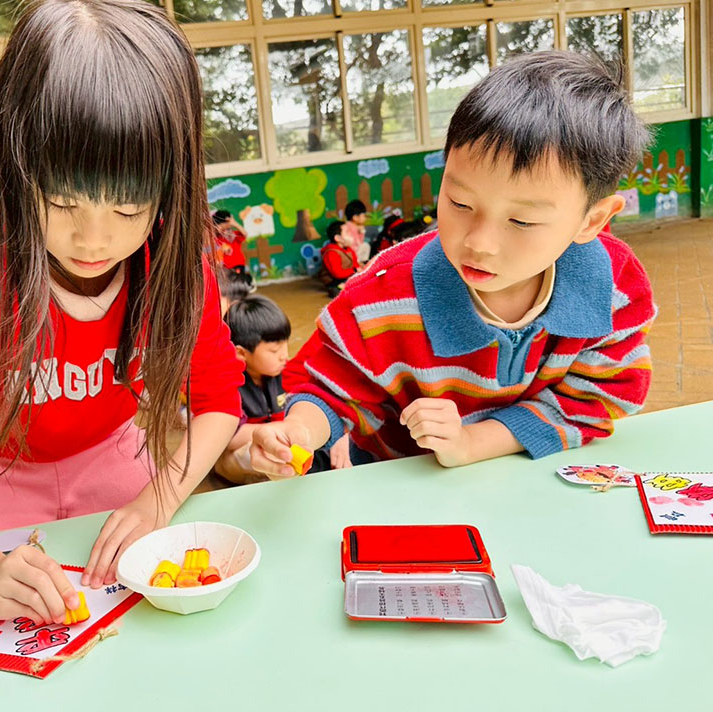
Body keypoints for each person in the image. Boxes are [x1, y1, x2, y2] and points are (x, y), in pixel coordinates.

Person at [0, 0, 244, 625]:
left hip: (111, 458)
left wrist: (157, 501)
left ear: (172, 181)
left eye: (128, 208)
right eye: (63, 202)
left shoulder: (179, 268)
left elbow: (218, 403)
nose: (94, 241)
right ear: (18, 167)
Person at [249, 50, 656, 476]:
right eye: (460, 202)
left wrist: (474, 441)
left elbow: (596, 397)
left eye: (521, 221)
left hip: (532, 477)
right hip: (401, 480)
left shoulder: (612, 288)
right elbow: (327, 390)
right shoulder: (383, 295)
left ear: (592, 220)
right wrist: (298, 431)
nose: (478, 242)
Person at [213, 295, 290, 484]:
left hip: (274, 440)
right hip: (235, 456)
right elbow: (231, 437)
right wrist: (281, 430)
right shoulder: (226, 383)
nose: (285, 356)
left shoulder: (283, 372)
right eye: (274, 350)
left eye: (286, 345)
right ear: (241, 353)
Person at [319, 220, 359, 297]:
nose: (351, 235)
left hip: (349, 276)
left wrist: (359, 270)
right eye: (347, 232)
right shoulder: (331, 252)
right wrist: (355, 270)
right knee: (340, 290)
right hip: (335, 280)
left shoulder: (349, 249)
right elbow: (337, 274)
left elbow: (355, 264)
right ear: (338, 238)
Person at [212, 210, 247, 274]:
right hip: (225, 268)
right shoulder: (216, 237)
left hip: (238, 265)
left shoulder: (233, 235)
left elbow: (245, 234)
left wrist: (235, 224)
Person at [341, 200, 371, 264]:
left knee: (365, 245)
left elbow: (360, 242)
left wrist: (362, 232)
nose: (365, 218)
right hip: (349, 255)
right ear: (355, 217)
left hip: (355, 254)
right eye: (364, 215)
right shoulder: (346, 227)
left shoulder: (358, 227)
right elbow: (349, 244)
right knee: (365, 246)